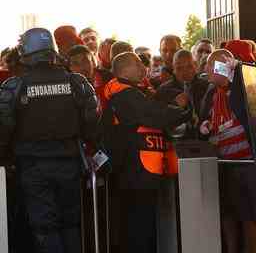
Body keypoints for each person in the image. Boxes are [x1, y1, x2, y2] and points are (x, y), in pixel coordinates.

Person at [0, 27, 98, 253]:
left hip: (33, 167)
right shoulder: (77, 83)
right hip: (70, 163)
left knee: (45, 228)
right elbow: (92, 123)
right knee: (70, 225)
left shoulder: (14, 87)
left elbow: (3, 130)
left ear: (25, 53)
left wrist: (5, 158)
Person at [102, 52, 191, 253]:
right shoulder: (126, 95)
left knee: (142, 228)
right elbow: (155, 115)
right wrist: (180, 108)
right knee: (139, 231)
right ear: (124, 69)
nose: (143, 67)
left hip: (139, 173)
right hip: (134, 174)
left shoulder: (133, 93)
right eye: (137, 64)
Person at [200, 49, 256, 253]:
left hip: (247, 163)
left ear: (224, 66)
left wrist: (238, 69)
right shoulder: (212, 94)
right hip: (226, 165)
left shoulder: (243, 86)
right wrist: (205, 125)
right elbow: (210, 119)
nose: (206, 70)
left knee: (250, 216)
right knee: (233, 214)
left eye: (211, 66)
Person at [154, 49, 209, 138]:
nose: (185, 71)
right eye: (179, 68)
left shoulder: (207, 87)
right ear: (173, 69)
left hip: (205, 141)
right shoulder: (163, 90)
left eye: (189, 66)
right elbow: (157, 120)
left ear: (195, 66)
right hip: (176, 142)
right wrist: (175, 105)